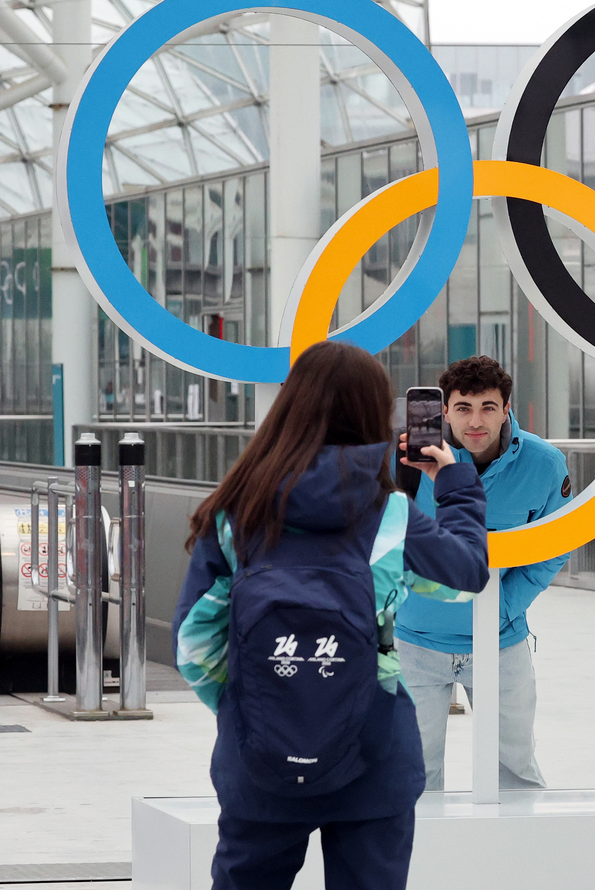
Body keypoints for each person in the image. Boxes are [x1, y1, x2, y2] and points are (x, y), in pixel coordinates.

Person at [173, 341, 490, 890]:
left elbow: (193, 644)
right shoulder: (390, 514)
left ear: (289, 407)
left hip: (260, 761)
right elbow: (463, 579)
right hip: (374, 752)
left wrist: (253, 704)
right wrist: (454, 483)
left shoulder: (235, 510)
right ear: (375, 415)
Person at [394, 355, 572, 790]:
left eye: (488, 407)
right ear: (444, 411)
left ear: (507, 408)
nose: (475, 421)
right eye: (463, 408)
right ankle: (422, 860)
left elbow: (554, 548)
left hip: (501, 643)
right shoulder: (410, 459)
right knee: (410, 778)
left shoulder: (544, 465)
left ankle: (516, 857)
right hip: (416, 643)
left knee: (515, 772)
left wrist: (501, 609)